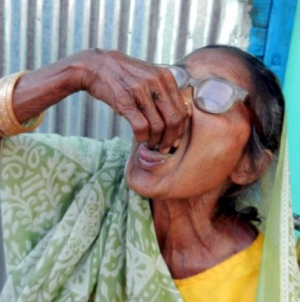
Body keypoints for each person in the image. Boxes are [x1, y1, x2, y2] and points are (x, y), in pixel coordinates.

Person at [0, 45, 299, 302]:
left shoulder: (272, 283)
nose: (176, 103)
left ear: (248, 167)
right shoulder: (89, 175)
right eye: (174, 81)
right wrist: (80, 70)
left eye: (215, 95)